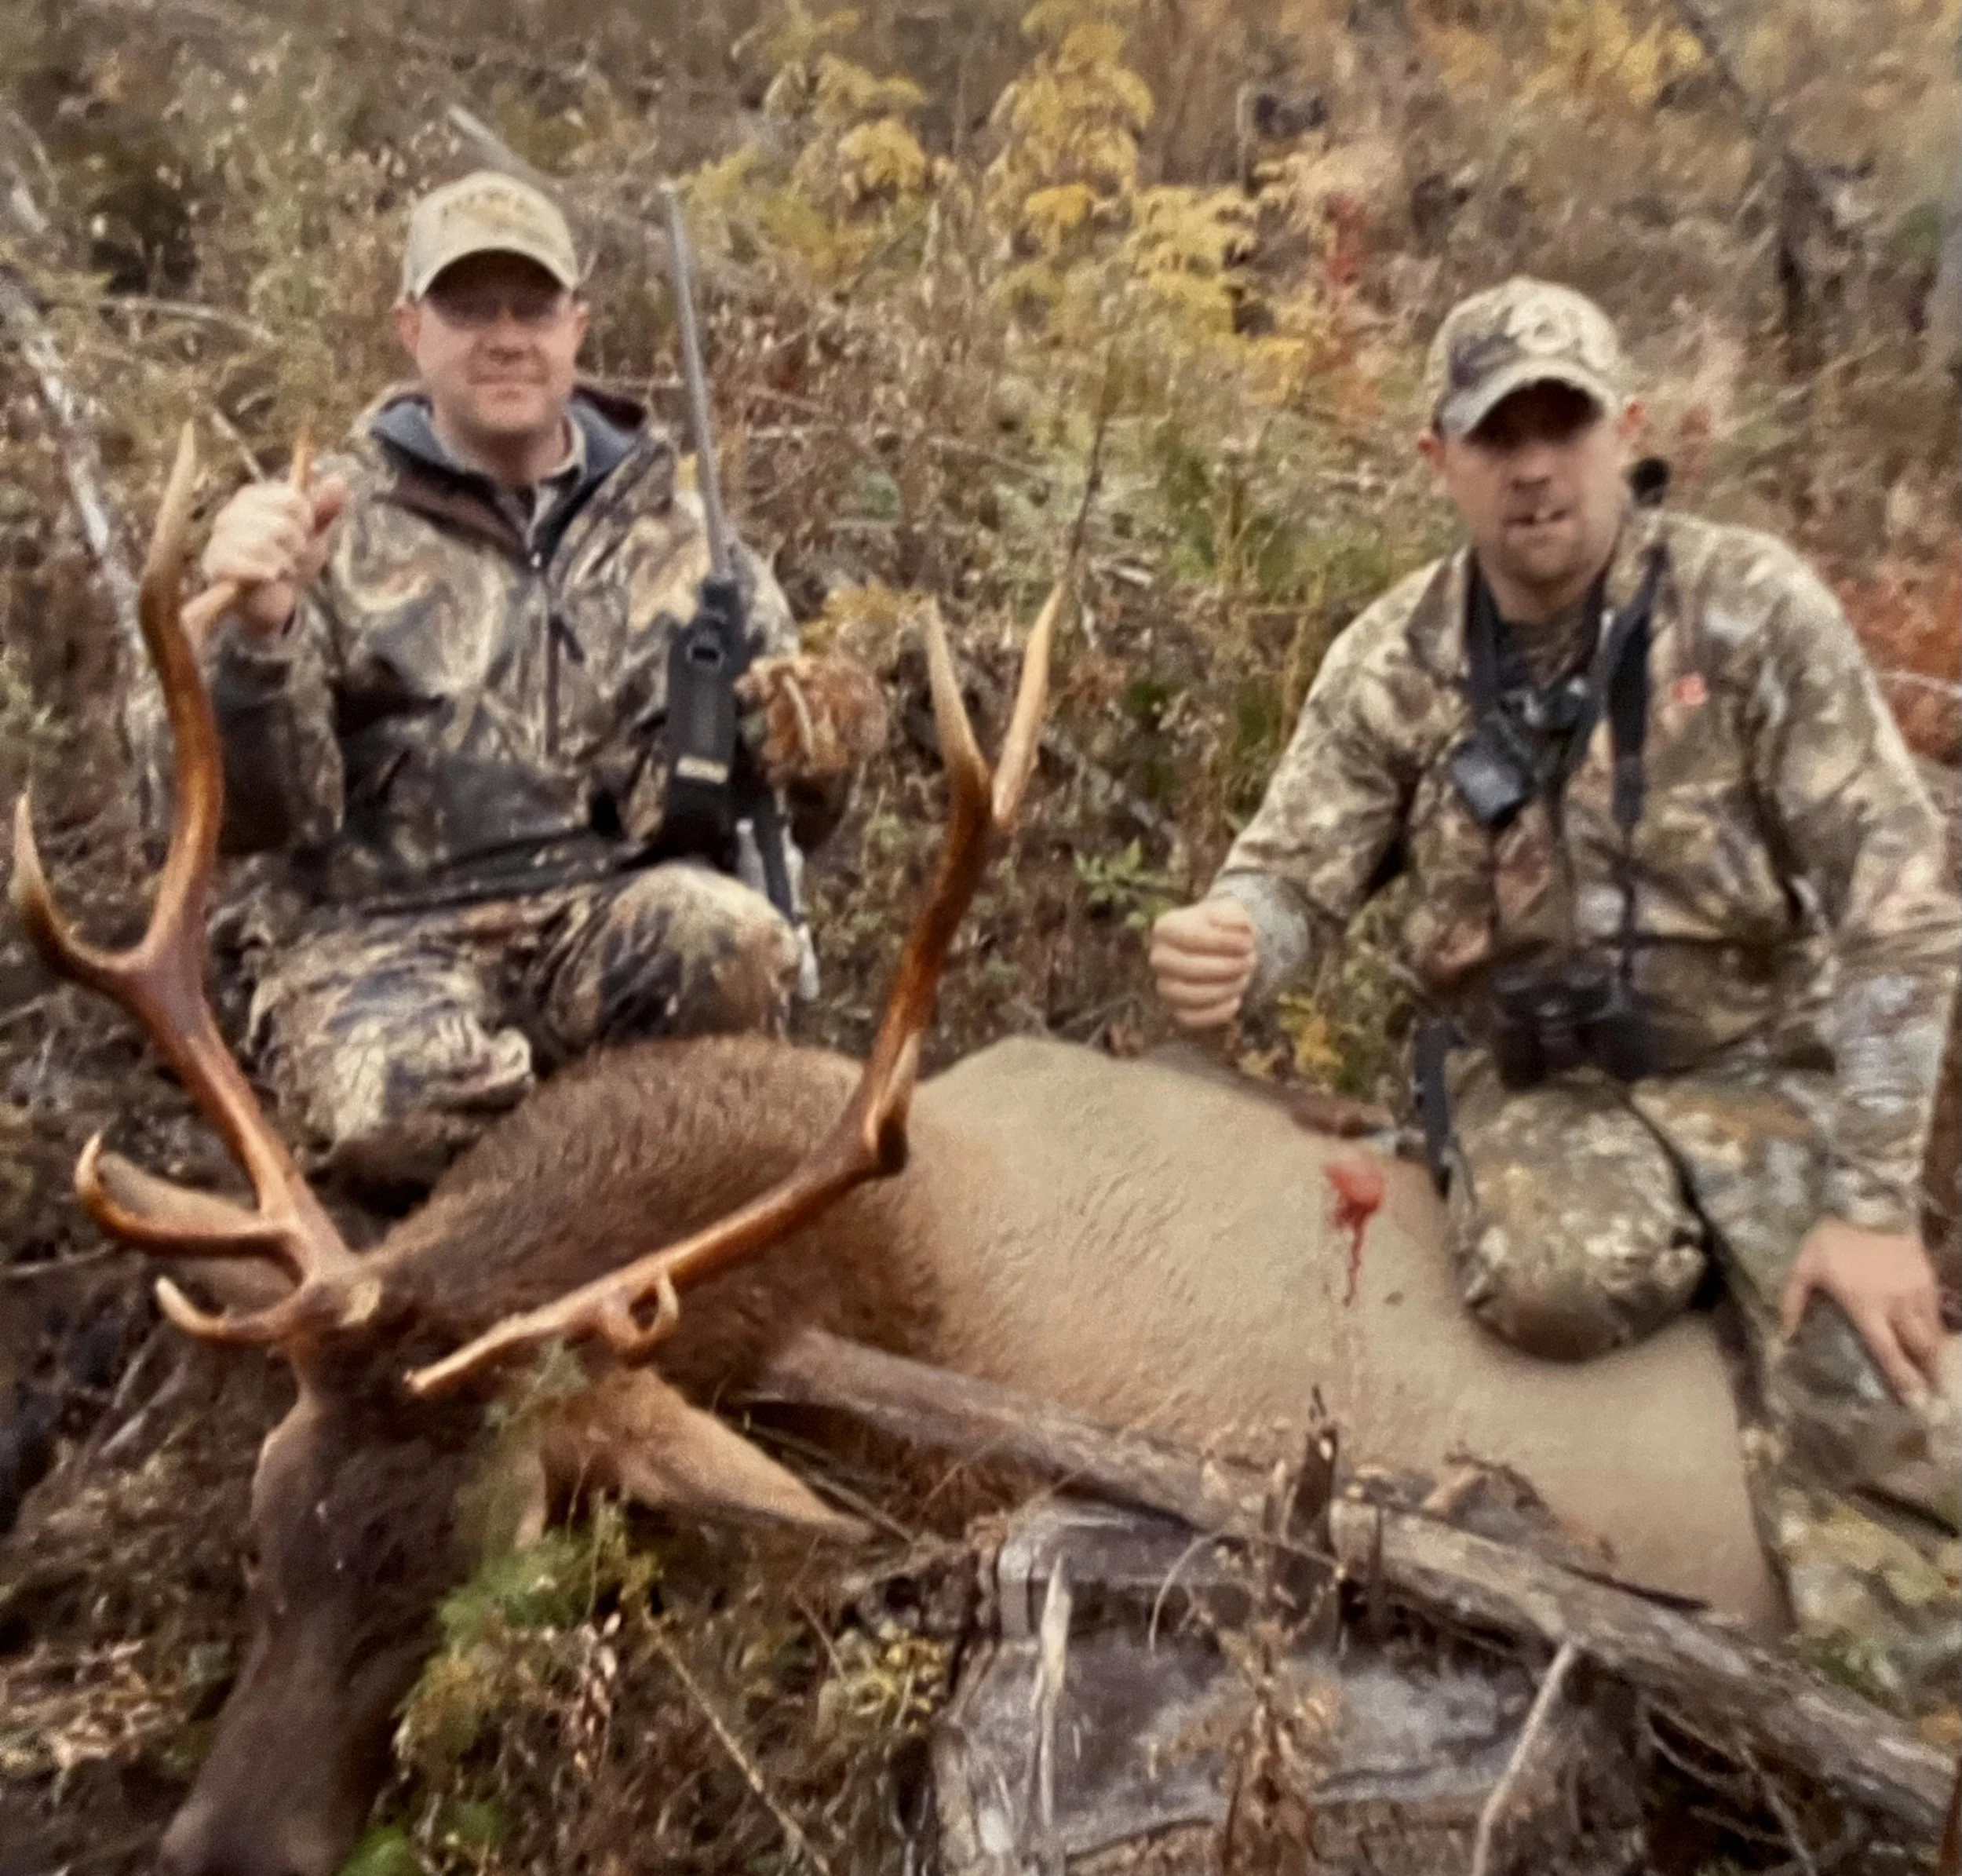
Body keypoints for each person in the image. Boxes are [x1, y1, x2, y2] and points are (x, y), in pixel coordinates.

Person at [1149, 277, 1961, 1717]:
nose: (1533, 464)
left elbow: (1902, 903)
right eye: (1494, 433)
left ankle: (1904, 1726)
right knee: (1547, 1285)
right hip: (1537, 1090)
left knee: (1879, 1388)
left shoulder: (1751, 611)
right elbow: (1288, 879)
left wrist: (1878, 1203)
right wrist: (1234, 939)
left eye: (1563, 423)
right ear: (1438, 460)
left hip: (1756, 1071)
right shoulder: (1395, 658)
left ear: (1625, 430)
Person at [195, 170, 888, 1195]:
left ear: (578, 326)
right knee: (399, 1103)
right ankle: (576, 1178)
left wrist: (824, 749)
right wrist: (256, 635)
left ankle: (613, 1192)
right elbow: (239, 813)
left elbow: (781, 823)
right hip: (377, 942)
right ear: (410, 328)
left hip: (597, 923)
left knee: (736, 942)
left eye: (533, 306)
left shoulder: (689, 545)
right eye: (469, 307)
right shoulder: (317, 526)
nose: (506, 335)